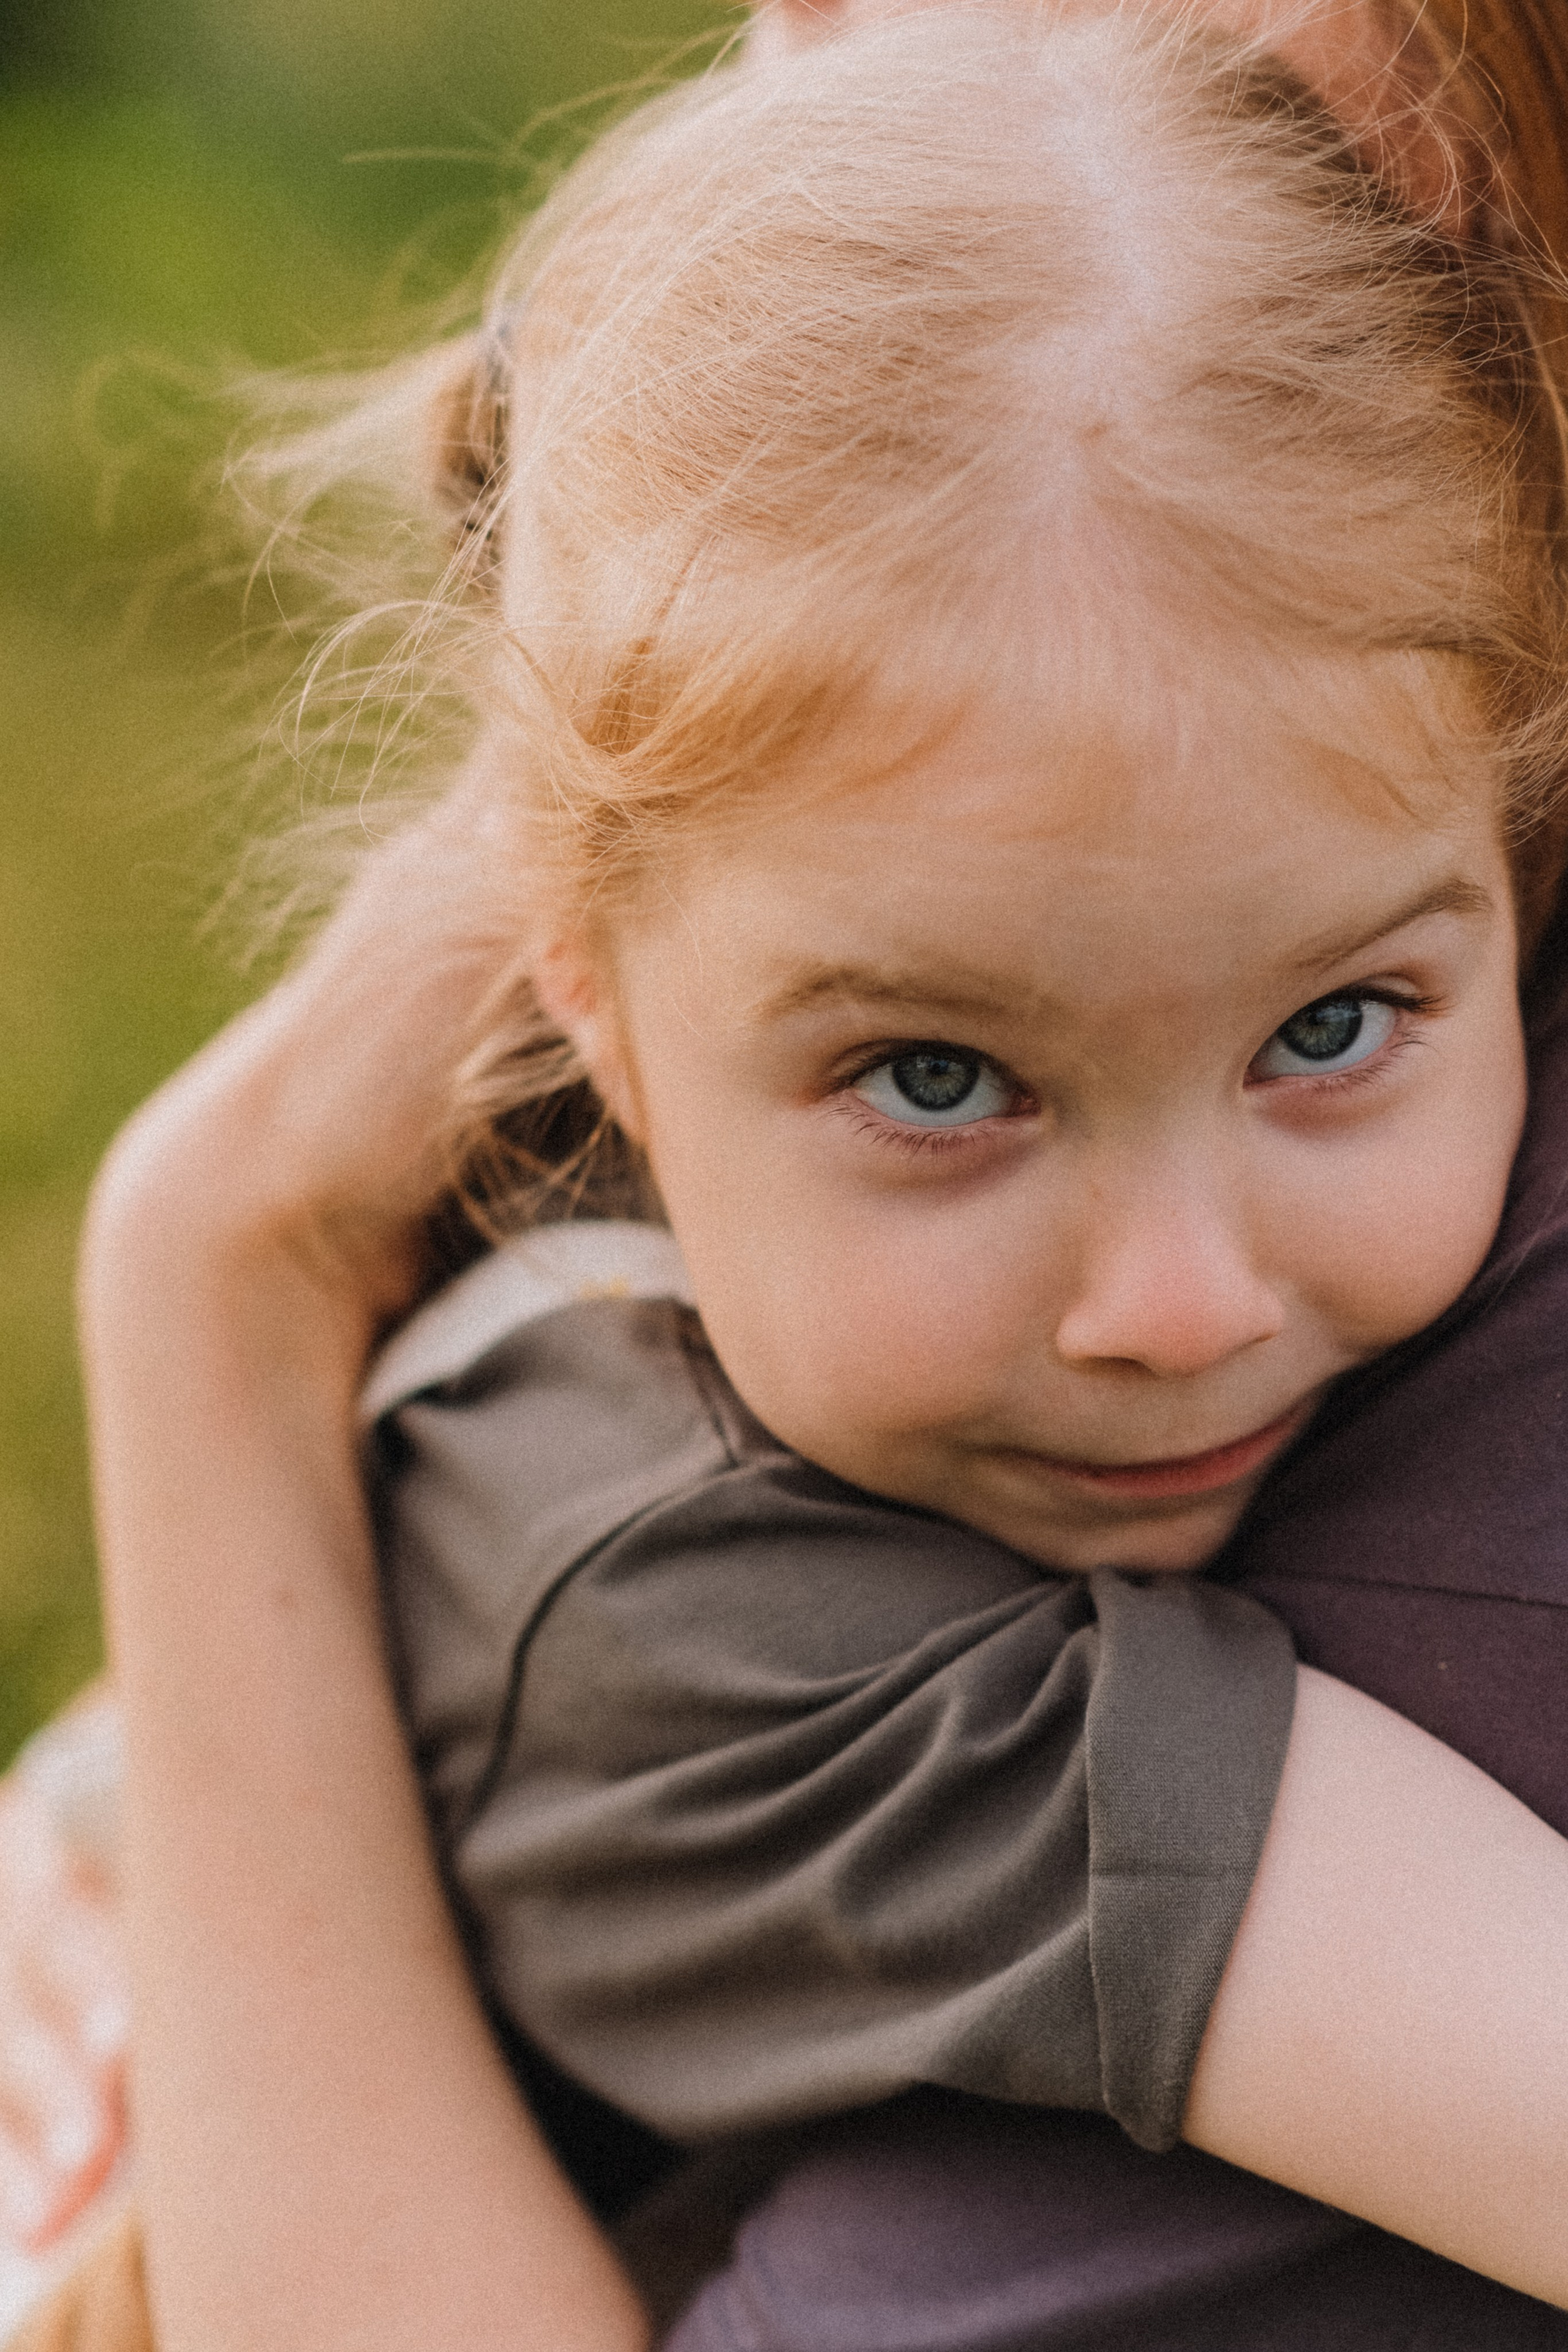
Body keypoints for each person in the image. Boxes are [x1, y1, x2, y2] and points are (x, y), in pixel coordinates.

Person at [10, 0, 1568, 2345]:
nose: (1176, 1299)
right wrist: (198, 1260)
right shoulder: (686, 1607)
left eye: (1331, 1030)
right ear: (584, 1002)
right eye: (943, 1082)